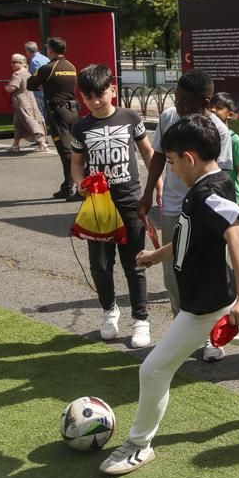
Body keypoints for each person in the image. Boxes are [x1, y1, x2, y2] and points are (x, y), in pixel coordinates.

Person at [99, 114, 239, 476]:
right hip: (209, 296)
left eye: (169, 163)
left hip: (204, 302)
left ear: (188, 158)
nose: (169, 170)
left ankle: (139, 445)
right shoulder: (204, 185)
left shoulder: (207, 192)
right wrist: (158, 254)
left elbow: (235, 232)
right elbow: (191, 234)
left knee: (153, 371)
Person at [139, 70, 233, 362]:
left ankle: (211, 336)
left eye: (184, 103)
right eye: (176, 99)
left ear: (204, 102)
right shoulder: (169, 118)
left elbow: (223, 175)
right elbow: (157, 155)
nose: (177, 106)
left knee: (205, 272)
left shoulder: (219, 131)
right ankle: (182, 330)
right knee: (173, 274)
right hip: (173, 206)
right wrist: (147, 193)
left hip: (204, 212)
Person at [70, 64, 154, 349]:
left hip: (130, 203)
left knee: (136, 264)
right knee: (100, 266)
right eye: (88, 97)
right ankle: (109, 310)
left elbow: (148, 153)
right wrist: (80, 183)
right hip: (98, 208)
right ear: (82, 98)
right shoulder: (80, 127)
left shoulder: (131, 117)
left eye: (100, 94)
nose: (95, 101)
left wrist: (156, 188)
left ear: (113, 90)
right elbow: (77, 162)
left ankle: (141, 320)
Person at [28, 37, 80, 199]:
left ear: (50, 50)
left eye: (47, 48)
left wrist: (43, 85)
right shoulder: (71, 66)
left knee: (66, 152)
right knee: (77, 149)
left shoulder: (48, 68)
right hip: (73, 110)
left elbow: (30, 84)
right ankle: (69, 185)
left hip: (58, 112)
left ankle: (74, 187)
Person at [210, 92, 239, 214]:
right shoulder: (207, 138)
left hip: (231, 198)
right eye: (211, 107)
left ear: (230, 114)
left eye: (218, 108)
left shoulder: (235, 140)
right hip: (212, 196)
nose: (212, 110)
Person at [5, 54, 48, 153]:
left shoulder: (17, 74)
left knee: (29, 121)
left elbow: (12, 87)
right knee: (18, 123)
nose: (11, 64)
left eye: (14, 62)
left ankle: (42, 142)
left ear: (21, 63)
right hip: (30, 100)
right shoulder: (27, 73)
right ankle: (15, 145)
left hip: (21, 102)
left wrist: (6, 88)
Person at [24, 41, 50, 118]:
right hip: (48, 90)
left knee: (40, 115)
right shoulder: (45, 58)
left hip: (39, 92)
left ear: (28, 51)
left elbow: (37, 77)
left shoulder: (34, 61)